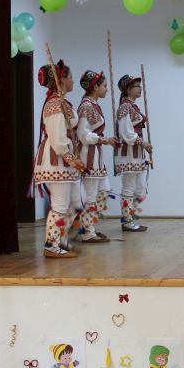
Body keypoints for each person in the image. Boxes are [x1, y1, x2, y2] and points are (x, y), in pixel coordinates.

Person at [33, 60, 84, 258]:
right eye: (70, 77)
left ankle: (61, 240)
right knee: (60, 204)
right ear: (61, 79)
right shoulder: (55, 104)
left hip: (66, 159)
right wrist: (70, 158)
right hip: (58, 158)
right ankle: (52, 245)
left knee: (75, 203)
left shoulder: (61, 102)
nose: (73, 81)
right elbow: (57, 138)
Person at [76, 70, 117, 243]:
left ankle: (88, 226)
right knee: (91, 196)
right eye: (104, 86)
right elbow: (82, 134)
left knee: (104, 191)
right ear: (95, 87)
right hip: (88, 155)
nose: (107, 89)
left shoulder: (93, 105)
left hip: (96, 156)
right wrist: (103, 139)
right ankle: (88, 232)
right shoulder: (86, 106)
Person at [115, 74, 152, 232]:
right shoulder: (125, 107)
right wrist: (143, 142)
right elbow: (126, 133)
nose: (140, 89)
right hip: (128, 152)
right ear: (128, 89)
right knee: (129, 187)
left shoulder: (133, 106)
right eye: (137, 86)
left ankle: (131, 217)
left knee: (140, 189)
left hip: (137, 153)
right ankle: (127, 222)